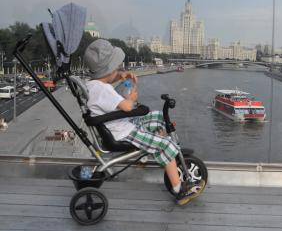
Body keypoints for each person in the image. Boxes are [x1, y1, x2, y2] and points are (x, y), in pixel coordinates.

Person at [83, 39, 205, 206]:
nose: (119, 70)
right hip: (123, 133)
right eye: (116, 68)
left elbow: (109, 90)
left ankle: (151, 152)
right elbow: (127, 106)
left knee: (158, 117)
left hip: (118, 126)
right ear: (108, 70)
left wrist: (121, 77)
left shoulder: (94, 85)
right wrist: (131, 97)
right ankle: (179, 189)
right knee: (167, 145)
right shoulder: (104, 90)